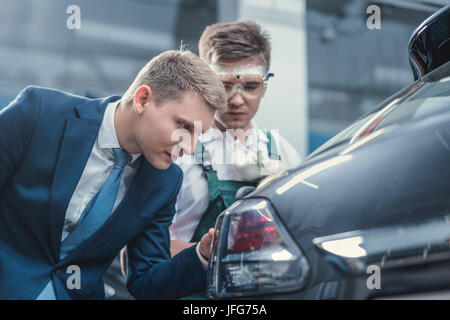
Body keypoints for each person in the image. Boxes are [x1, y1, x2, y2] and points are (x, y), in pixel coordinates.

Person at [0, 49, 226, 300]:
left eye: (197, 134)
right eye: (183, 126)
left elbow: (147, 284)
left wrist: (202, 256)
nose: (190, 147)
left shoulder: (165, 182)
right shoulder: (39, 113)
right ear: (142, 99)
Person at [169, 21, 302, 266]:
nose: (237, 100)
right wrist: (218, 253)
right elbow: (140, 255)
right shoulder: (177, 151)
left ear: (265, 85)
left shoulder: (285, 154)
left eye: (251, 86)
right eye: (225, 85)